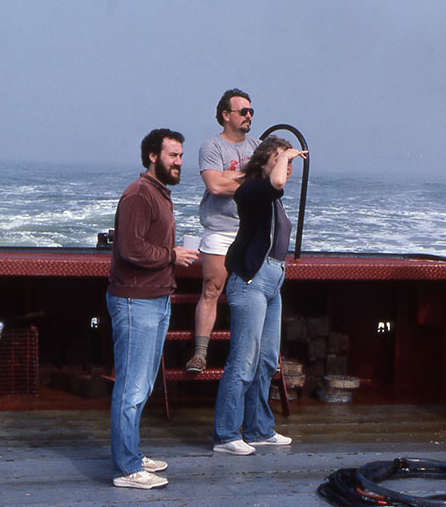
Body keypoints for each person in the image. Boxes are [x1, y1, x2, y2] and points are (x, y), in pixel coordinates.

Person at [106, 128, 199, 488]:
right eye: (172, 155)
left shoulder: (159, 194)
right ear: (152, 157)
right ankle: (126, 468)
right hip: (135, 302)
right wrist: (174, 256)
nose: (178, 162)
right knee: (131, 387)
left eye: (180, 156)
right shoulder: (139, 194)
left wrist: (171, 258)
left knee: (141, 386)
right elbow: (130, 248)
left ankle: (130, 452)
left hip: (156, 300)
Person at [212, 136, 307, 455]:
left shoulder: (272, 198)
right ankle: (226, 434)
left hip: (273, 282)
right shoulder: (252, 189)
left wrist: (285, 158)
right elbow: (276, 180)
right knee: (244, 360)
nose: (288, 167)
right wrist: (285, 157)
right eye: (282, 159)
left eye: (292, 162)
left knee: (266, 359)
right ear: (264, 161)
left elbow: (278, 181)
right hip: (250, 280)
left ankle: (258, 429)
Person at [186, 88, 261, 373]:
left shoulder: (258, 146)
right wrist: (249, 177)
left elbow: (267, 183)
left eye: (251, 111)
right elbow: (215, 186)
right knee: (212, 289)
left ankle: (249, 354)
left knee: (252, 294)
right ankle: (200, 354)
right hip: (220, 230)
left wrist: (231, 176)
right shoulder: (212, 147)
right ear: (225, 115)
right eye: (243, 111)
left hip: (252, 231)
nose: (249, 116)